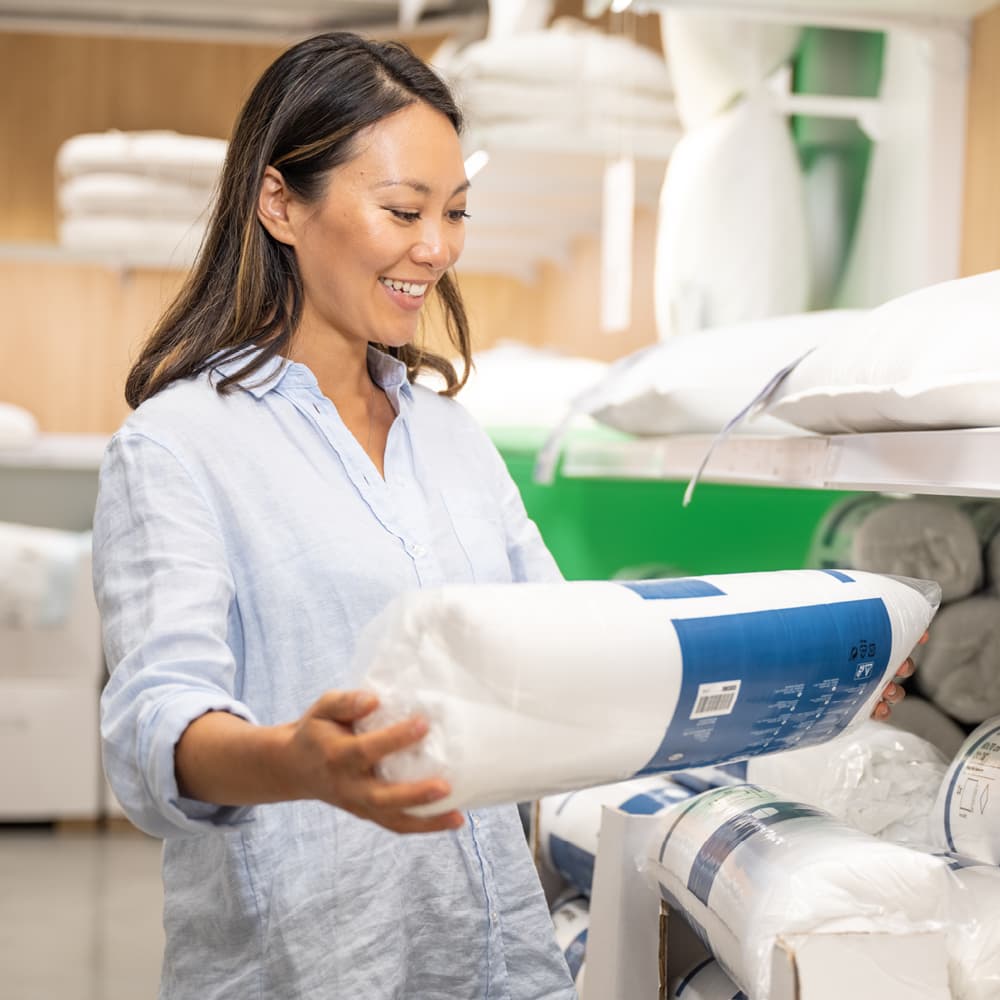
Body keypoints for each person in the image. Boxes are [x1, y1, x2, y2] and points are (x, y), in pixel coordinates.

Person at [93, 29, 914, 1000]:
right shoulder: (181, 445)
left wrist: (805, 684)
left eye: (454, 211)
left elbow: (578, 664)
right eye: (402, 209)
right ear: (280, 201)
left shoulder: (447, 436)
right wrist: (298, 761)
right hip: (306, 967)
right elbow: (154, 733)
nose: (435, 249)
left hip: (491, 962)